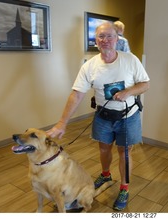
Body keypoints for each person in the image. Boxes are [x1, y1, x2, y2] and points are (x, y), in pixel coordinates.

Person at [46, 22, 150, 211]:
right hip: (103, 115)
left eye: (109, 36)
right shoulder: (90, 66)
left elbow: (145, 84)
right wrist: (62, 123)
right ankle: (105, 174)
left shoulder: (130, 60)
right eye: (101, 36)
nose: (105, 40)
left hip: (128, 115)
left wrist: (128, 92)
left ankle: (124, 188)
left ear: (117, 38)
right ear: (96, 40)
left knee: (124, 152)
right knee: (103, 150)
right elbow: (77, 94)